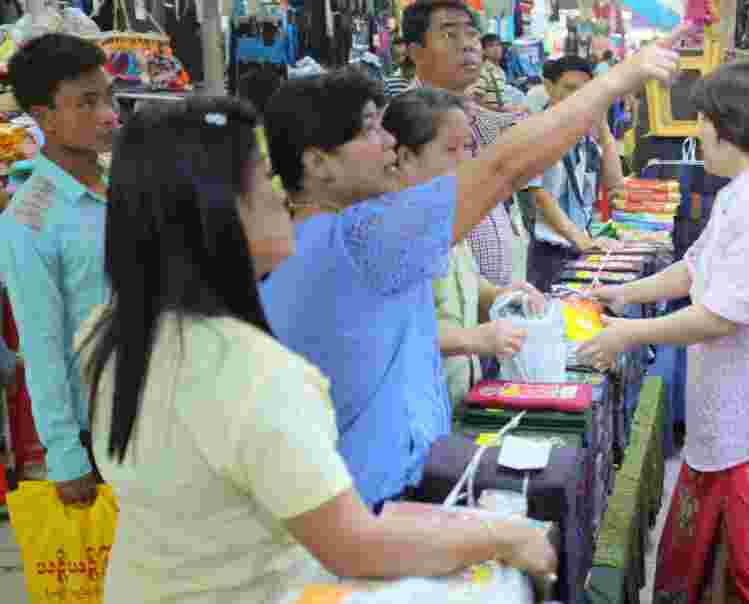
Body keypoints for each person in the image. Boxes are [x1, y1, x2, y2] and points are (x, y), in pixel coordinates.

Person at [75, 96, 557, 603]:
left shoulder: (110, 332)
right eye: (265, 178)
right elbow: (354, 545)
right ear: (217, 212)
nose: (281, 195)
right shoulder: (255, 373)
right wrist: (501, 537)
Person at [260, 34, 684, 508]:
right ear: (317, 162)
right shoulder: (359, 237)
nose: (388, 142)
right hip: (374, 498)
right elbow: (504, 167)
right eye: (369, 130)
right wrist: (618, 79)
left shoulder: (335, 233)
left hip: (394, 482)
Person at [578, 61, 749, 604]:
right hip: (728, 409)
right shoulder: (742, 193)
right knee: (697, 558)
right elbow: (693, 269)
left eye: (704, 119)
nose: (698, 130)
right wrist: (622, 293)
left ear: (732, 126)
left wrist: (629, 334)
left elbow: (719, 315)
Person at [0, 33, 119, 505]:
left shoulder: (128, 184)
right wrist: (66, 456)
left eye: (108, 97)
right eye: (87, 102)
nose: (108, 114)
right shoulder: (30, 219)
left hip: (165, 413)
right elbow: (41, 344)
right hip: (103, 432)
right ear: (44, 115)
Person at [382, 89, 544, 406]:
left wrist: (500, 295)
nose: (464, 161)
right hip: (413, 403)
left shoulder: (443, 211)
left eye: (467, 147)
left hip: (459, 392)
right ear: (405, 157)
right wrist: (470, 339)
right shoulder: (385, 229)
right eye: (450, 149)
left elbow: (461, 285)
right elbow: (387, 333)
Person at [404, 0, 528, 287]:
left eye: (472, 34)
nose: (468, 45)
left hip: (491, 299)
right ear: (416, 52)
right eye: (449, 34)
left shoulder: (479, 116)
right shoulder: (402, 124)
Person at [527, 55, 624, 292]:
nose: (578, 97)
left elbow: (615, 186)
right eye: (570, 88)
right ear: (549, 87)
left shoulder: (583, 136)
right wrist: (580, 240)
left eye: (584, 90)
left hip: (582, 246)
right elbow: (539, 195)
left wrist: (603, 128)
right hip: (551, 252)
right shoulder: (536, 132)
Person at [470, 33, 509, 111]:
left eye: (498, 45)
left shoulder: (501, 71)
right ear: (483, 51)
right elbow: (476, 101)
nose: (496, 49)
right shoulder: (482, 70)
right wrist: (500, 110)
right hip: (491, 116)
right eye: (491, 46)